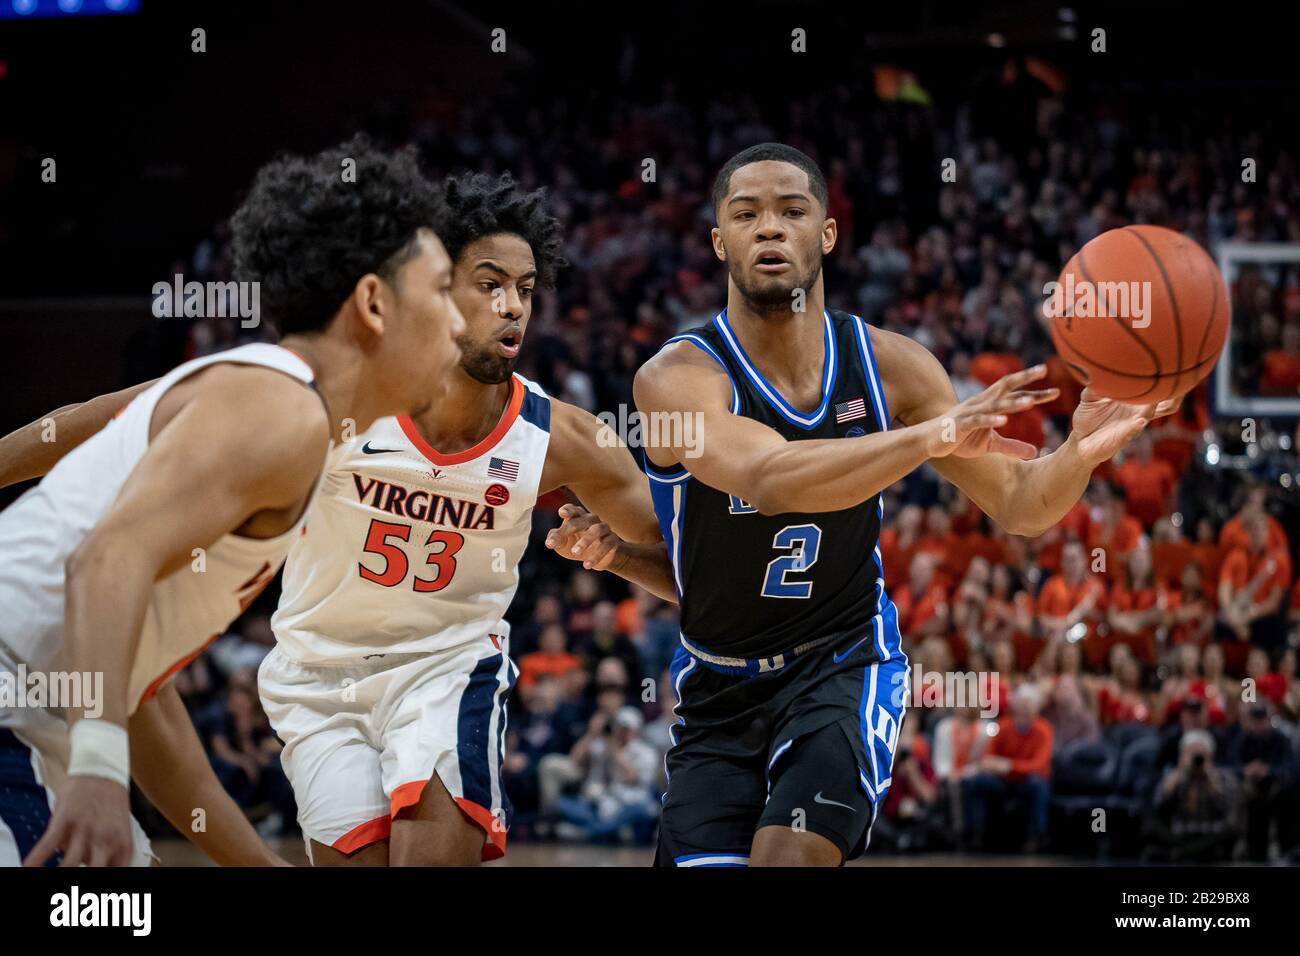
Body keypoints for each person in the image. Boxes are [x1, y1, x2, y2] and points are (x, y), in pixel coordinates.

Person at [1, 172, 677, 867]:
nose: (512, 308)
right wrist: (100, 762)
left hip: (444, 664)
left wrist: (627, 558)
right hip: (310, 674)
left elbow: (685, 561)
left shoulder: (556, 435)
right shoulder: (306, 404)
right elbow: (106, 430)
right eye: (483, 284)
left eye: (527, 290)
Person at [633, 143, 1173, 867]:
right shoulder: (677, 379)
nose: (770, 228)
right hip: (718, 686)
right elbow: (768, 476)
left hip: (842, 663)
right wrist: (930, 435)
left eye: (792, 211)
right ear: (718, 241)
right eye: (746, 214)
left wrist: (1078, 454)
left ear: (826, 234)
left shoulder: (893, 367)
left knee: (787, 858)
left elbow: (1020, 503)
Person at [0, 135, 466, 867]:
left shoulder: (275, 405)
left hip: (45, 718)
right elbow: (105, 558)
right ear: (373, 303)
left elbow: (138, 693)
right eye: (442, 291)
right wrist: (96, 765)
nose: (461, 321)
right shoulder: (276, 408)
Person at [960, 683, 1054, 853]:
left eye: (1029, 703)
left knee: (1037, 784)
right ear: (1015, 706)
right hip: (1004, 781)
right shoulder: (1004, 726)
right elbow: (988, 758)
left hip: (1028, 781)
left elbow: (1040, 765)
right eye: (1022, 703)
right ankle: (975, 834)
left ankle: (1036, 836)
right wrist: (996, 765)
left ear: (1036, 707)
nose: (1025, 708)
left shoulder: (1044, 729)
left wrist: (1010, 766)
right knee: (977, 782)